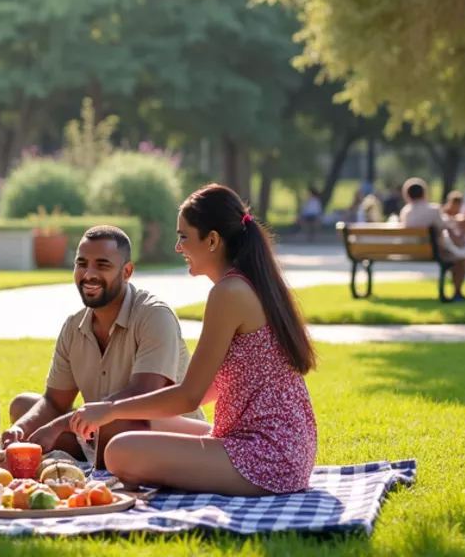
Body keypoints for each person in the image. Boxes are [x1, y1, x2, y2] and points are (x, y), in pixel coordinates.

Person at [69, 184, 317, 496]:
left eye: (183, 236)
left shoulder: (229, 293)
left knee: (120, 450)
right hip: (277, 447)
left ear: (212, 240)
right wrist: (123, 410)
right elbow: (209, 388)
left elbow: (188, 397)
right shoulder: (245, 285)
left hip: (267, 457)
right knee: (138, 423)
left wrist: (110, 408)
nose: (177, 247)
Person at [1, 226, 196, 469]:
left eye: (102, 266)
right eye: (81, 264)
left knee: (116, 421)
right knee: (23, 407)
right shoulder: (74, 326)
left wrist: (59, 425)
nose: (88, 274)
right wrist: (20, 428)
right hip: (98, 432)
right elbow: (54, 402)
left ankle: (101, 464)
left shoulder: (154, 316)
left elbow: (142, 396)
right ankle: (91, 460)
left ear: (127, 272)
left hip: (157, 435)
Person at [399, 178, 465, 300]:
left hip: (411, 252)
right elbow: (444, 228)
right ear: (424, 193)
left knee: (457, 256)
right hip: (434, 253)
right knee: (463, 258)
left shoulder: (405, 211)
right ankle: (457, 292)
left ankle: (456, 290)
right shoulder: (432, 210)